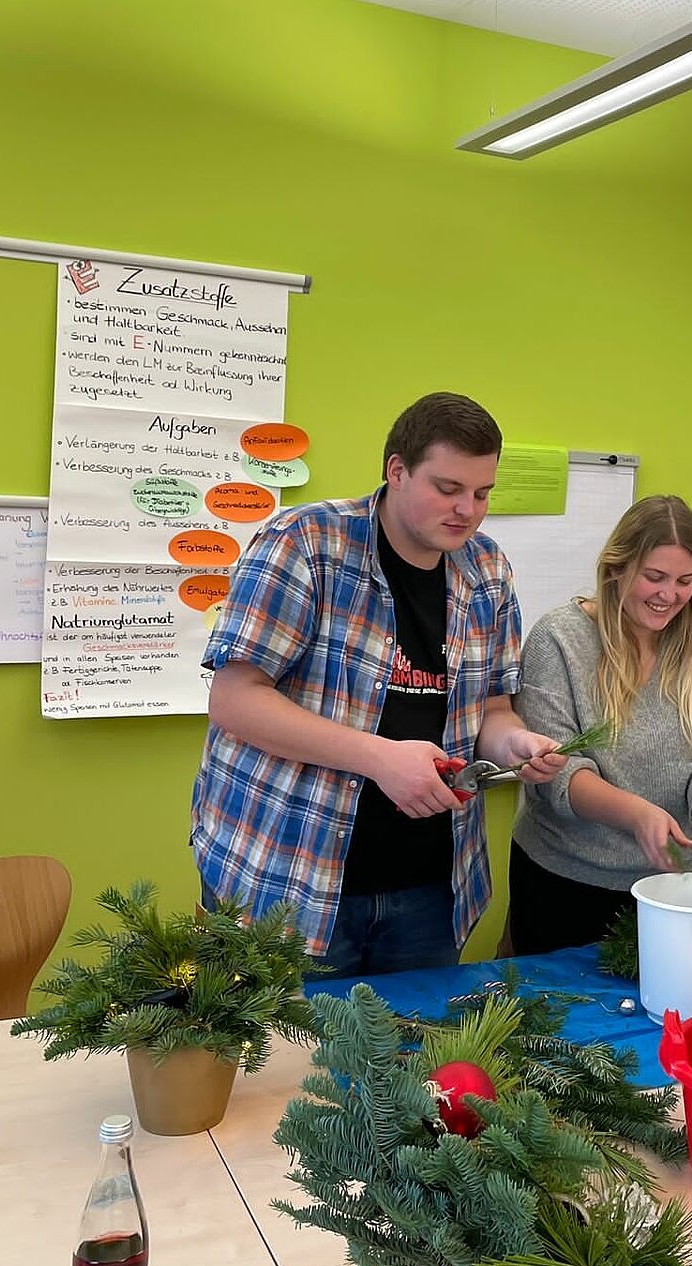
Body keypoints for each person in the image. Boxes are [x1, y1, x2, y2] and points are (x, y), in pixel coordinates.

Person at [191, 392, 566, 980]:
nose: (467, 509)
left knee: (409, 1062)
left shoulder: (488, 569)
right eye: (448, 488)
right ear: (396, 469)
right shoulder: (306, 541)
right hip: (291, 876)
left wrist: (513, 743)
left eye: (482, 493)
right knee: (280, 1067)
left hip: (430, 888)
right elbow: (235, 699)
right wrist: (379, 759)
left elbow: (491, 708)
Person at [507, 495, 692, 955]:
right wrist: (637, 815)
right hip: (570, 884)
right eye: (654, 577)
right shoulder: (558, 640)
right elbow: (558, 772)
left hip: (687, 881)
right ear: (617, 567)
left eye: (685, 581)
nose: (669, 595)